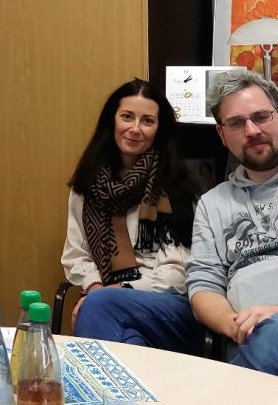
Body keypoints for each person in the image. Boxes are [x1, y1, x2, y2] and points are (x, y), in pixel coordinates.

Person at [61, 78, 202, 353]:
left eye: (147, 121)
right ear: (112, 121)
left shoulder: (177, 188)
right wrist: (96, 287)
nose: (135, 129)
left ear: (159, 129)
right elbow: (76, 255)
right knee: (128, 342)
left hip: (171, 306)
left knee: (99, 308)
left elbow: (178, 272)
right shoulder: (87, 188)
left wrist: (115, 292)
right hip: (104, 302)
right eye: (127, 117)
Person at [187, 69, 278, 373]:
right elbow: (204, 283)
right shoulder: (212, 203)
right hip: (245, 332)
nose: (252, 130)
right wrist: (234, 324)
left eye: (261, 116)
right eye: (237, 123)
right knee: (103, 306)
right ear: (222, 134)